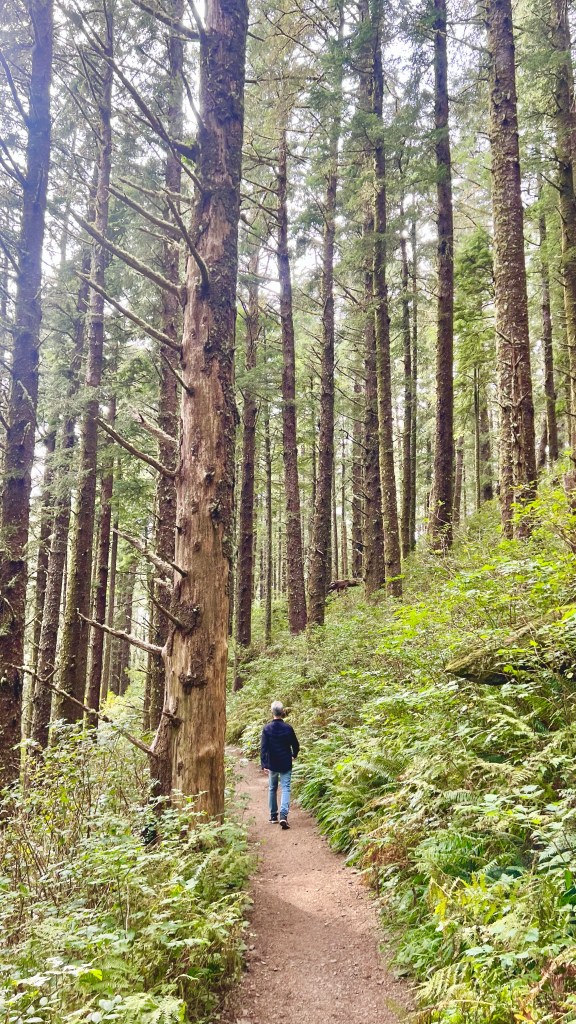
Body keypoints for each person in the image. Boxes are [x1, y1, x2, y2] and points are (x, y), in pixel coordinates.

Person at [260, 700, 300, 829]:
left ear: (272, 712)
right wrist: (294, 754)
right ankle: (283, 815)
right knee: (286, 788)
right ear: (283, 712)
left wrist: (264, 763)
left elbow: (264, 748)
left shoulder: (267, 728)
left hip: (272, 763)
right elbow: (296, 744)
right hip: (285, 762)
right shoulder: (288, 728)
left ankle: (273, 816)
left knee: (272, 788)